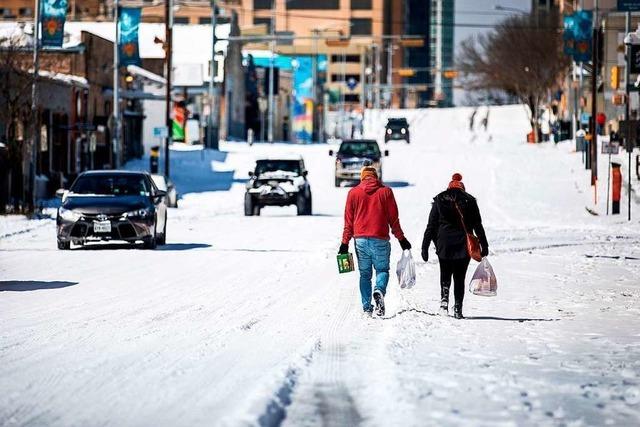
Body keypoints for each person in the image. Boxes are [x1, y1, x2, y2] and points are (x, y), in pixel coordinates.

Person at [339, 163, 411, 317]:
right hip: (380, 239)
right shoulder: (386, 192)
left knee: (365, 274)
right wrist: (402, 239)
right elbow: (394, 220)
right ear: (376, 177)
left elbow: (348, 222)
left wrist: (344, 243)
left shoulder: (353, 193)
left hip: (360, 241)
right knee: (382, 270)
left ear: (362, 177)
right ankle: (379, 290)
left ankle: (366, 308)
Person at [421, 173, 488, 319]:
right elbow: (478, 225)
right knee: (459, 277)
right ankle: (458, 307)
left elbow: (431, 226)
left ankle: (444, 303)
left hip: (444, 244)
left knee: (445, 273)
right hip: (463, 245)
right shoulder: (470, 201)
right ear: (462, 188)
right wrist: (484, 245)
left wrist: (425, 246)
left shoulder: (439, 200)